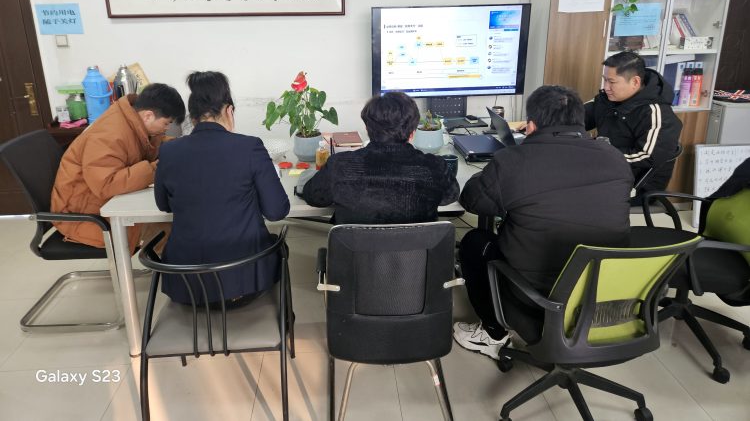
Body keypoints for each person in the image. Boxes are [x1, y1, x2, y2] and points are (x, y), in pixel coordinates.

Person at [453, 85, 633, 358]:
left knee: (475, 242)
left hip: (536, 297)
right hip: (603, 294)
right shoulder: (615, 158)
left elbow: (472, 201)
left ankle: (492, 333)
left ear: (531, 125)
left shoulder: (514, 161)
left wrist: (492, 172)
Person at [154, 71, 290, 307]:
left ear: (192, 117)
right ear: (229, 110)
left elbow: (163, 204)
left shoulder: (168, 151)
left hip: (187, 287)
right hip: (244, 284)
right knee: (279, 245)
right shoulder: (249, 147)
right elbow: (277, 211)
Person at [51, 83, 185, 253]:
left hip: (104, 204)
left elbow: (154, 145)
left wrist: (183, 146)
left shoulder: (134, 121)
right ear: (148, 116)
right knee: (175, 230)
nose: (167, 129)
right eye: (166, 123)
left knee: (178, 220)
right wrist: (157, 168)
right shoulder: (108, 135)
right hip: (85, 217)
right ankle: (174, 267)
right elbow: (106, 185)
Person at [302, 91, 459, 224]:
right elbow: (450, 197)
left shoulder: (339, 165)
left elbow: (313, 196)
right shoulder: (435, 167)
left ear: (367, 128)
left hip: (357, 251)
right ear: (412, 133)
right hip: (419, 251)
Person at [585, 51, 682, 197]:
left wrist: (600, 154)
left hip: (636, 185)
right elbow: (576, 116)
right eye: (605, 80)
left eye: (612, 82)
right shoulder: (607, 100)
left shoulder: (657, 113)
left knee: (567, 186)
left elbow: (647, 156)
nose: (606, 87)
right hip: (606, 169)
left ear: (635, 82)